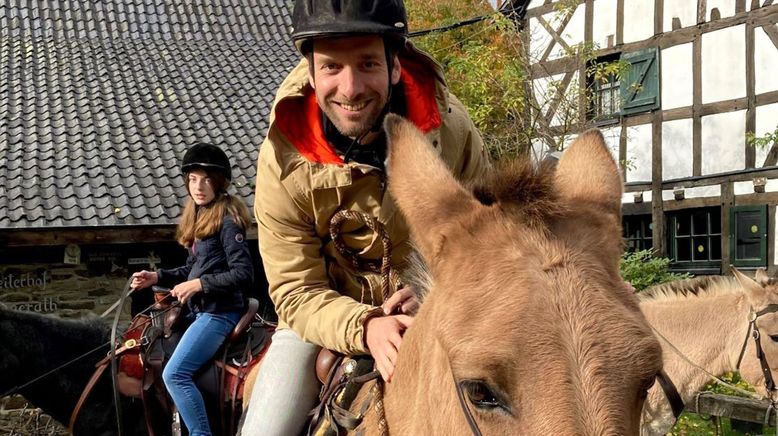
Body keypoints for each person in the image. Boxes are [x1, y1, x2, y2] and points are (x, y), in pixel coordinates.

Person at [240, 0, 489, 434]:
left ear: (395, 65)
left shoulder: (451, 131)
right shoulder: (282, 159)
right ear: (311, 72)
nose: (351, 88)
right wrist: (366, 324)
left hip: (442, 306)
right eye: (332, 66)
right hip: (320, 321)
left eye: (368, 63)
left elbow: (485, 237)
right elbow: (295, 290)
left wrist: (432, 289)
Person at [131, 143, 254, 436]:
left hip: (220, 312)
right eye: (193, 179)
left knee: (175, 374)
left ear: (219, 182)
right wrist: (156, 276)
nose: (199, 186)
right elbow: (193, 268)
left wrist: (199, 284)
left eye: (207, 179)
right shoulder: (201, 216)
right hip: (200, 311)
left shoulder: (227, 221)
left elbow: (243, 274)